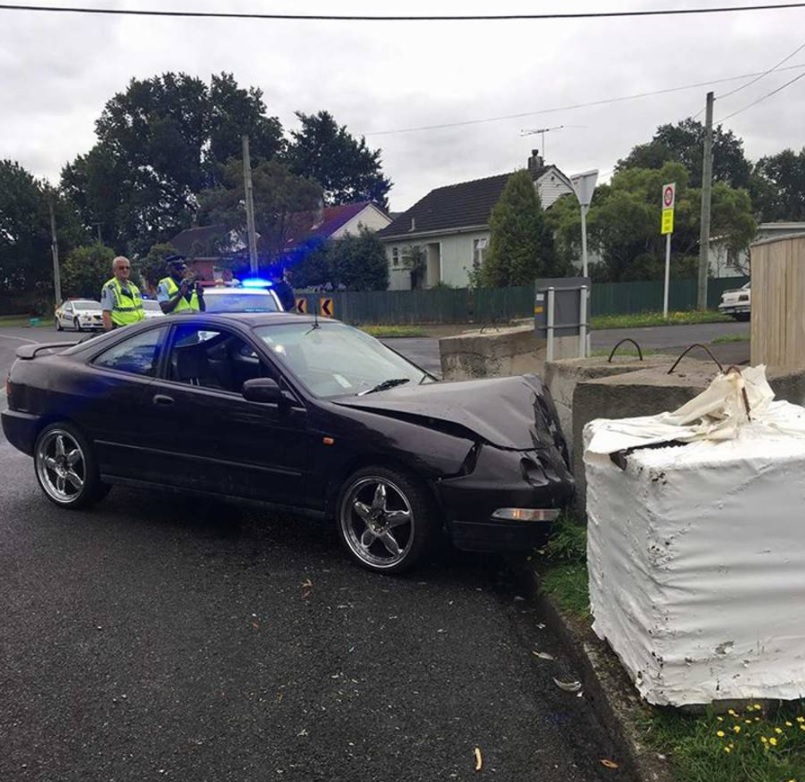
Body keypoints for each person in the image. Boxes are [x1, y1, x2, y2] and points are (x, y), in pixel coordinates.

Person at [101, 255, 145, 331]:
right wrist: (110, 335)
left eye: (127, 268)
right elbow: (106, 314)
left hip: (137, 329)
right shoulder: (110, 287)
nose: (125, 270)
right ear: (114, 271)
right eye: (121, 268)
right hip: (122, 331)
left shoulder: (133, 287)